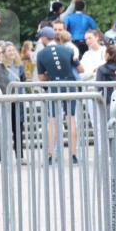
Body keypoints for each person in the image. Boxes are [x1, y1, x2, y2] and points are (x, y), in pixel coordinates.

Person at [35, 26, 84, 165]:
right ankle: (74, 155)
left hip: (54, 87)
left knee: (53, 121)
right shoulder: (68, 50)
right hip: (70, 85)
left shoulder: (41, 54)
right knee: (71, 120)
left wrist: (50, 74)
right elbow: (81, 69)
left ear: (45, 38)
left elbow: (41, 77)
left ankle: (50, 155)